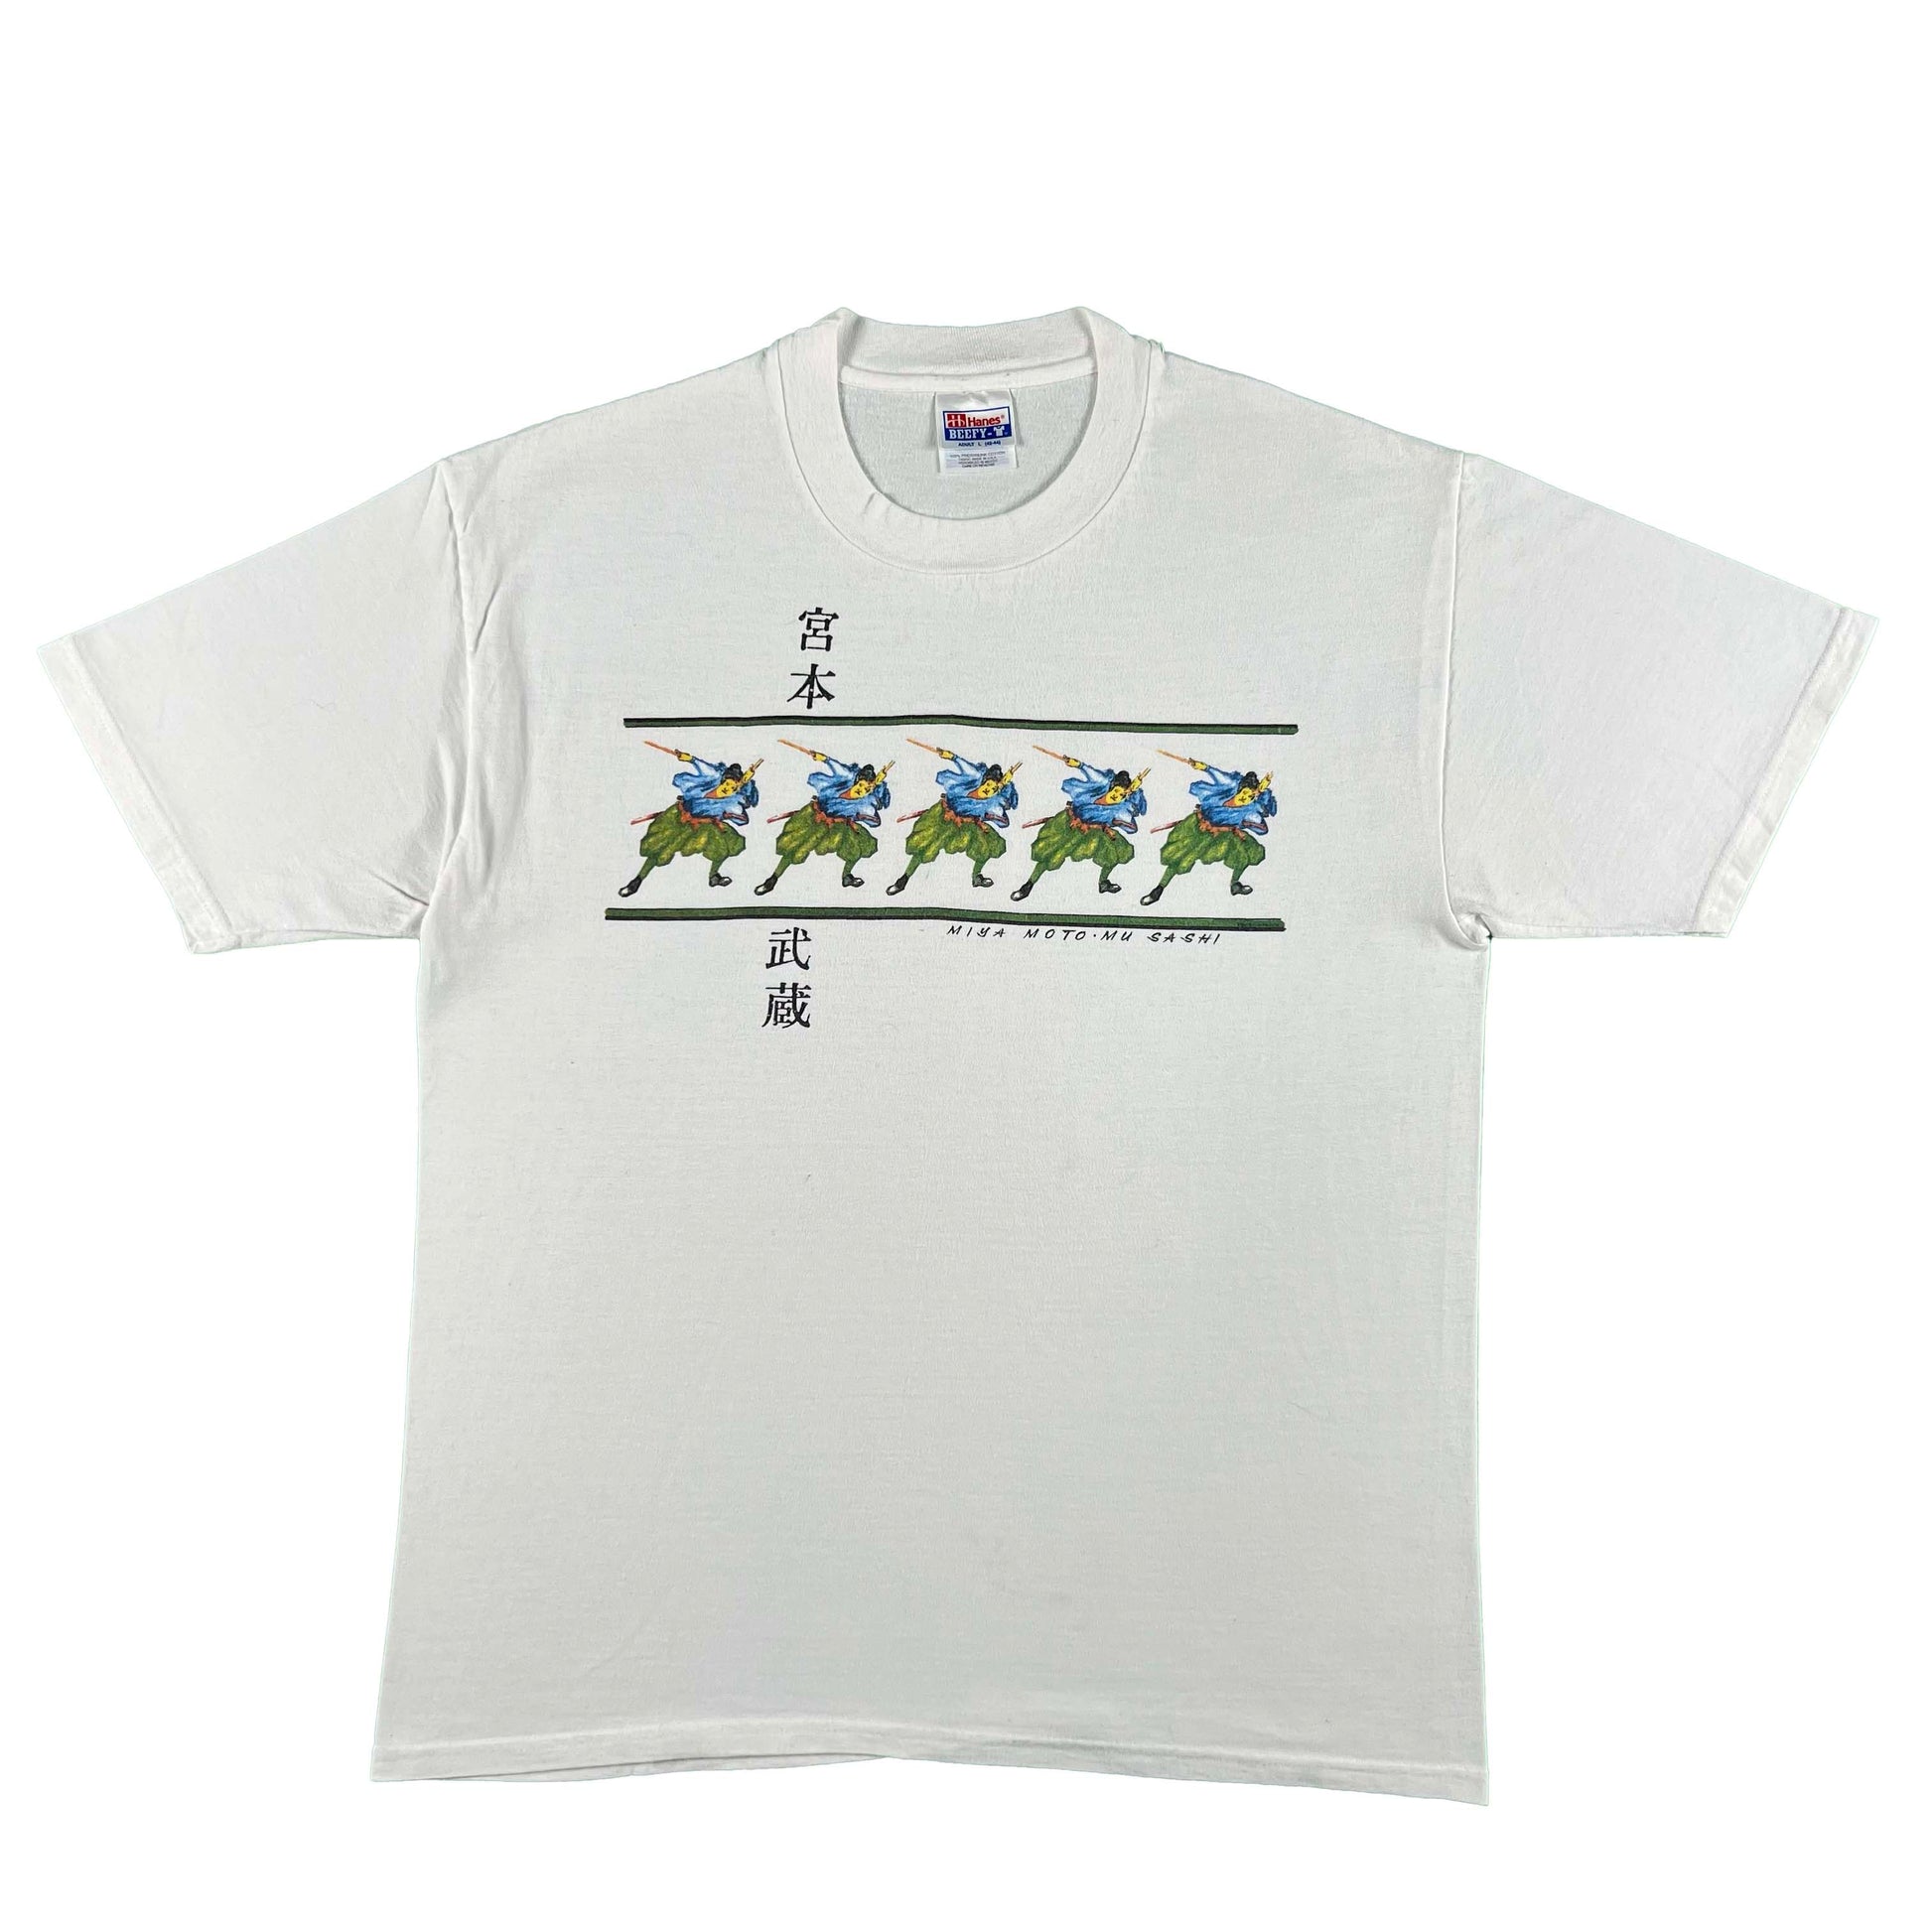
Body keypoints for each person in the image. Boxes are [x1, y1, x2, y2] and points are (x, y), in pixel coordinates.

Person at [617, 747, 759, 896]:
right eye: (727, 784)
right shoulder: (712, 777)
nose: (727, 789)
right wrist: (689, 758)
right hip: (680, 817)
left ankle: (713, 876)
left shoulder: (732, 803)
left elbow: (743, 819)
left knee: (725, 846)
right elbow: (702, 766)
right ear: (722, 780)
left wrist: (728, 815)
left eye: (733, 788)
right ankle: (637, 881)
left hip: (704, 825)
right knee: (660, 847)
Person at [755, 744, 893, 894]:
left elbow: (875, 821)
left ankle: (846, 876)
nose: (862, 791)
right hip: (815, 817)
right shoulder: (846, 778)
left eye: (867, 790)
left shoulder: (866, 803)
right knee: (795, 845)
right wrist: (823, 758)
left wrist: (859, 815)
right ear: (856, 781)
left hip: (839, 825)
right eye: (861, 786)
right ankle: (772, 879)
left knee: (859, 845)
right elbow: (836, 766)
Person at [1011, 750, 1147, 900]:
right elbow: (1091, 773)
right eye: (1116, 791)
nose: (1116, 796)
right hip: (1071, 824)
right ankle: (1028, 885)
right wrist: (1078, 764)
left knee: (1117, 852)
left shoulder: (1121, 808)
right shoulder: (1100, 785)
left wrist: (1131, 796)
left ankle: (1103, 882)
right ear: (1111, 787)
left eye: (1121, 795)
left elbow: (1131, 827)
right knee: (1051, 853)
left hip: (1096, 831)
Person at [888, 744, 1019, 896]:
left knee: (989, 846)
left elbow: (1003, 821)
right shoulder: (973, 778)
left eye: (994, 790)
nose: (988, 790)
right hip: (944, 816)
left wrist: (1002, 788)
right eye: (988, 785)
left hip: (968, 824)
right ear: (984, 781)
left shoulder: (993, 802)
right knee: (925, 845)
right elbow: (964, 765)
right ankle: (903, 879)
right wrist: (951, 756)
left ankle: (976, 877)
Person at [1141, 759, 1277, 902]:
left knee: (1246, 852)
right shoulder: (1228, 786)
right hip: (1198, 827)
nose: (1245, 799)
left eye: (1250, 797)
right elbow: (1215, 773)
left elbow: (1262, 829)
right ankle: (1158, 890)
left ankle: (1235, 884)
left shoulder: (1249, 811)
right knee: (1181, 856)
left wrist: (1257, 799)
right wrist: (1203, 767)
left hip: (1222, 834)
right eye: (1244, 793)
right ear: (1239, 789)